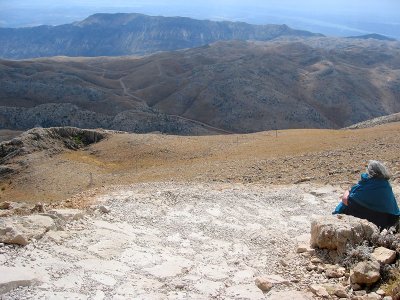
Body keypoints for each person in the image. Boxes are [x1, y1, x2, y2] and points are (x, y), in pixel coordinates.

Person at [333, 160, 400, 230]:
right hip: (382, 222)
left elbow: (346, 200)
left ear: (370, 171)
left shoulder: (366, 183)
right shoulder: (386, 185)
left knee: (344, 203)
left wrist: (347, 191)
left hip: (362, 218)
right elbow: (393, 210)